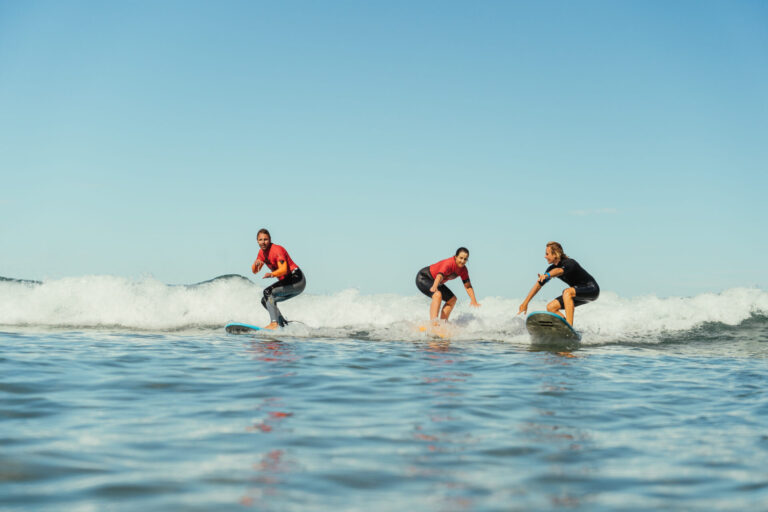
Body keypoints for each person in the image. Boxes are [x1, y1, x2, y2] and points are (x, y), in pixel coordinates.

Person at [518, 241, 599, 326]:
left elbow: (559, 271)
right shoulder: (551, 269)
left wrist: (547, 275)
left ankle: (569, 326)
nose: (545, 256)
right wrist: (525, 302)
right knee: (551, 307)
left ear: (555, 254)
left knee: (567, 292)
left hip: (591, 289)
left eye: (547, 254)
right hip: (576, 293)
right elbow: (538, 285)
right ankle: (565, 327)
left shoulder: (569, 263)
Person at [251, 229, 306, 329]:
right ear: (257, 241)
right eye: (260, 240)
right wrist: (255, 265)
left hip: (297, 279)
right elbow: (255, 271)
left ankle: (274, 323)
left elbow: (283, 270)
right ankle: (283, 324)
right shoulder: (261, 252)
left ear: (270, 239)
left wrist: (272, 274)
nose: (263, 242)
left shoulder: (277, 250)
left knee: (267, 292)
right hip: (288, 282)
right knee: (265, 300)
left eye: (265, 239)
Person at [415, 247, 481, 325]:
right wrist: (435, 286)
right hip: (424, 277)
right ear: (455, 257)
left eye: (465, 259)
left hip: (437, 282)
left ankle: (443, 325)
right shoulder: (449, 263)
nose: (463, 261)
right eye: (461, 258)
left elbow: (468, 286)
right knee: (437, 295)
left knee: (452, 299)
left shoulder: (463, 270)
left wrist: (473, 300)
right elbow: (439, 276)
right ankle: (433, 324)